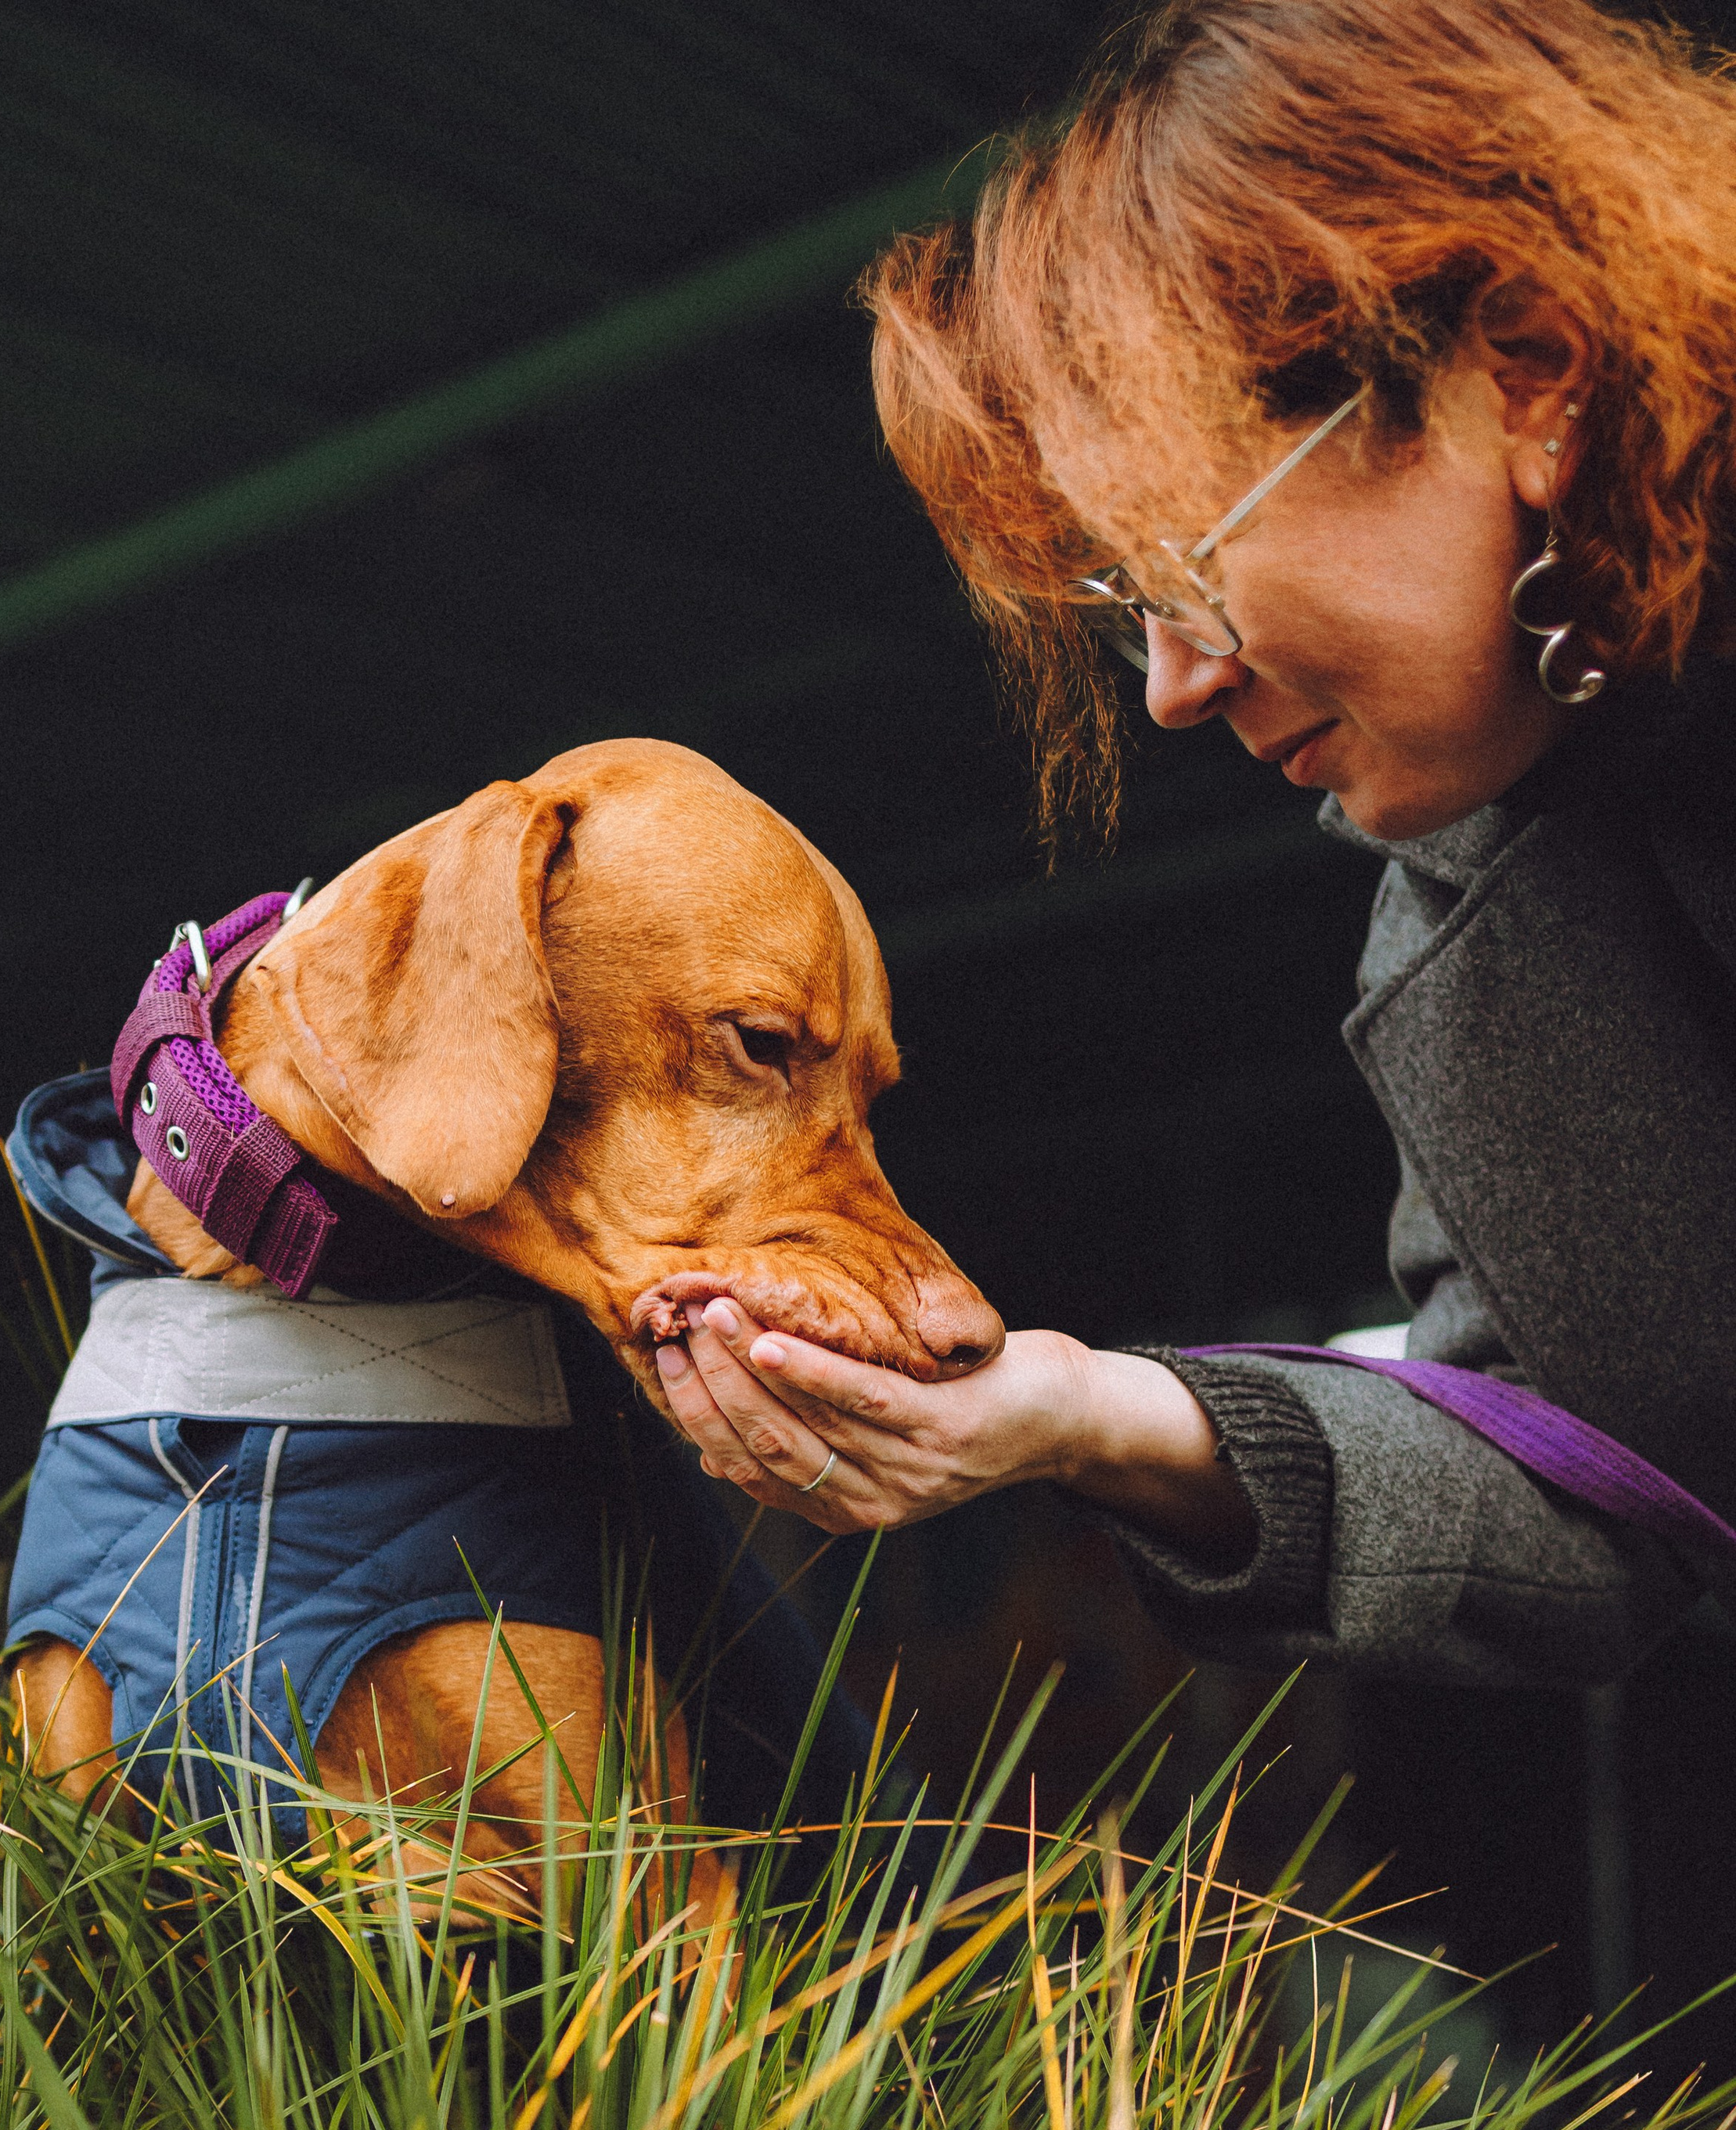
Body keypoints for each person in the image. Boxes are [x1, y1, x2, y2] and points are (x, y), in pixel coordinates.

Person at [655, 0, 1736, 1687]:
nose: (1167, 686)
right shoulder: (1482, 905)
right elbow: (1576, 1486)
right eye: (1122, 601)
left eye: (1182, 553)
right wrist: (1082, 1414)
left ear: (1521, 374)